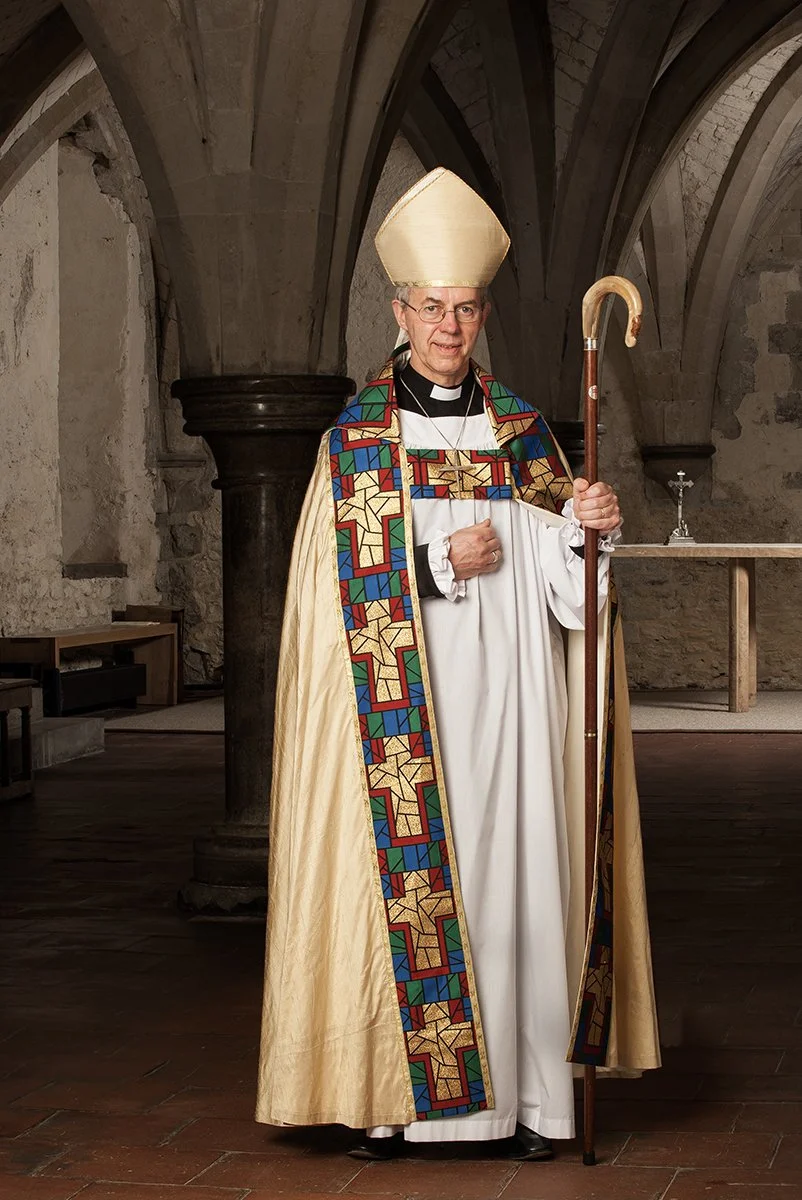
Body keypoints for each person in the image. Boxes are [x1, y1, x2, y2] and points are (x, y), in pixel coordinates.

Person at [256, 168, 660, 1161]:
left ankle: (526, 1105)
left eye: (464, 307)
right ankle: (397, 1103)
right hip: (407, 727)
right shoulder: (357, 442)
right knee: (416, 899)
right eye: (431, 307)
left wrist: (584, 530)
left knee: (517, 896)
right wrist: (435, 564)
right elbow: (324, 600)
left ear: (481, 314)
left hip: (511, 719)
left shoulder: (520, 431)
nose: (448, 324)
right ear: (399, 310)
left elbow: (572, 590)